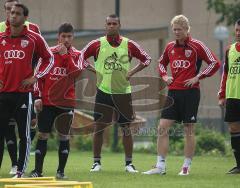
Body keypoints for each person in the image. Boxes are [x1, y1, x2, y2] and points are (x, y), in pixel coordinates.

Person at [143, 15, 220, 176]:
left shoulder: (197, 46)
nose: (176, 32)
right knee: (162, 127)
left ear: (186, 29)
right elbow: (161, 63)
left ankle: (186, 167)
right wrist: (164, 76)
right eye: (174, 29)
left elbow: (214, 63)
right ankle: (160, 166)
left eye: (179, 29)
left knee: (188, 130)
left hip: (190, 93)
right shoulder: (170, 47)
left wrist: (198, 77)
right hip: (173, 92)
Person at [80, 14, 151, 173]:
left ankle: (129, 164)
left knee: (126, 128)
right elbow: (79, 58)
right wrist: (93, 70)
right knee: (99, 128)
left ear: (119, 25)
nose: (111, 26)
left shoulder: (129, 44)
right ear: (105, 26)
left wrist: (131, 72)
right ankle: (96, 163)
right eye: (109, 24)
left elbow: (147, 59)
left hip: (123, 93)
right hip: (103, 91)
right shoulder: (97, 44)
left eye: (114, 23)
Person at [0, 3, 54, 178]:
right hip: (3, 94)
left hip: (24, 94)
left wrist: (35, 77)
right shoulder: (1, 38)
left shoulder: (34, 38)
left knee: (24, 135)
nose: (13, 16)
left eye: (17, 13)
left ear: (25, 18)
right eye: (11, 13)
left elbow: (49, 58)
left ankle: (20, 172)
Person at [29, 23, 85, 179]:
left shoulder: (78, 55)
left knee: (64, 136)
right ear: (58, 37)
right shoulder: (47, 54)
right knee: (43, 135)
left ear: (73, 37)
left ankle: (61, 172)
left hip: (66, 103)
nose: (66, 39)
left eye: (69, 36)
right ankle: (37, 171)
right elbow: (38, 77)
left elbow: (75, 74)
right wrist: (37, 97)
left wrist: (66, 55)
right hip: (46, 102)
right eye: (63, 36)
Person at [218, 19, 240, 174]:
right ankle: (239, 166)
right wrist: (222, 95)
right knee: (234, 129)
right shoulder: (229, 50)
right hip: (233, 96)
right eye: (236, 30)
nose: (238, 33)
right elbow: (225, 74)